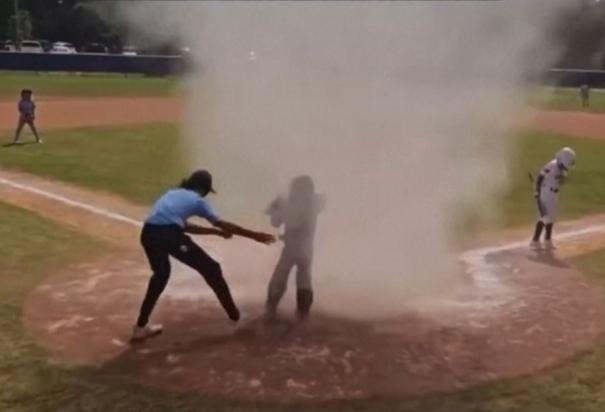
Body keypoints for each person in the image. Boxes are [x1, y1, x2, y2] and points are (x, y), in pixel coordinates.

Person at [132, 169, 276, 341]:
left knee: (160, 275)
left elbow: (183, 226)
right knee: (211, 269)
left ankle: (140, 327)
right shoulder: (197, 201)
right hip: (167, 235)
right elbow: (222, 224)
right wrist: (254, 235)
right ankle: (236, 317)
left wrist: (214, 232)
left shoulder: (172, 193)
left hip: (148, 234)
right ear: (204, 188)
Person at [265, 175, 325, 319]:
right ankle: (302, 315)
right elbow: (280, 222)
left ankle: (272, 310)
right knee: (303, 279)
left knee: (281, 277)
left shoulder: (298, 204)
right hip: (304, 249)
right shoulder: (313, 203)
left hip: (294, 249)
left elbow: (278, 222)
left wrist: (276, 209)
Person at [529, 147, 575, 251]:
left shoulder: (561, 168)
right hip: (545, 193)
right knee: (544, 217)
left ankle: (542, 240)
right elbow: (540, 177)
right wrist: (537, 191)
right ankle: (539, 240)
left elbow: (560, 181)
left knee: (549, 217)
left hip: (553, 194)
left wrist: (562, 180)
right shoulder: (552, 165)